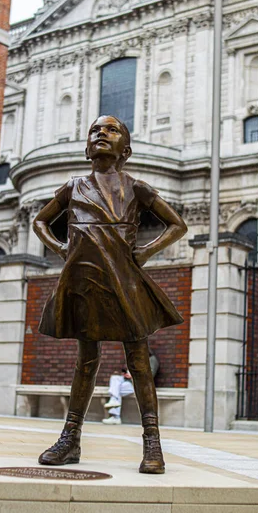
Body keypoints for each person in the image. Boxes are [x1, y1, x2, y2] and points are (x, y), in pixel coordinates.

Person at [33, 115, 187, 474]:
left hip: (126, 280)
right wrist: (60, 249)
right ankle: (70, 438)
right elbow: (40, 221)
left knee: (138, 360)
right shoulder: (73, 186)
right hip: (84, 282)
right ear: (88, 148)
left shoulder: (137, 187)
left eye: (112, 129)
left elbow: (177, 224)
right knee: (86, 360)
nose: (101, 132)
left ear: (126, 150)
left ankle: (153, 442)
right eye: (95, 130)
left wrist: (146, 252)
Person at [103, 350, 159, 425]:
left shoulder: (152, 359)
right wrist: (126, 374)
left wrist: (132, 376)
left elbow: (150, 375)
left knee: (116, 390)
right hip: (128, 381)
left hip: (138, 384)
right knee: (115, 378)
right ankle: (114, 406)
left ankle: (115, 416)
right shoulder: (136, 359)